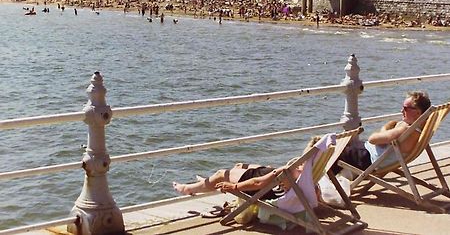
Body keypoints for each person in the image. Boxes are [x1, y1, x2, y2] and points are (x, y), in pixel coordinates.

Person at [172, 136, 322, 199]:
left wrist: (234, 187)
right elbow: (314, 193)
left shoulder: (289, 170)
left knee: (222, 173)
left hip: (267, 185)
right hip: (273, 177)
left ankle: (188, 189)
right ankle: (207, 183)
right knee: (239, 166)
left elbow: (258, 183)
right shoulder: (310, 172)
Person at [332, 90, 431, 173]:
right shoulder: (419, 130)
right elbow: (384, 143)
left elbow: (372, 139)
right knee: (338, 146)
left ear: (418, 112)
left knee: (332, 153)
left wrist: (385, 127)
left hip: (367, 158)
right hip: (370, 155)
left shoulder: (405, 129)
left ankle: (320, 188)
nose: (401, 111)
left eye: (405, 108)